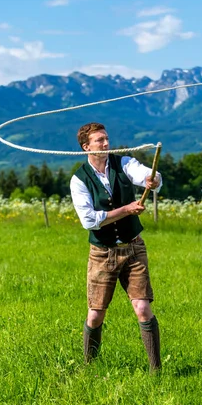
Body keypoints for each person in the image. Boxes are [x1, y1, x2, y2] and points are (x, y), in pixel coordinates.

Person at [70, 122, 162, 371]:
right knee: (96, 314)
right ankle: (90, 367)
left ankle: (156, 371)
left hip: (134, 248)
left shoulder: (124, 164)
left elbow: (147, 175)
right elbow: (89, 221)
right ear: (86, 146)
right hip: (102, 252)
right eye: (100, 140)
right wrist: (126, 210)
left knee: (143, 308)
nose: (106, 143)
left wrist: (152, 180)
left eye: (107, 138)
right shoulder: (79, 180)